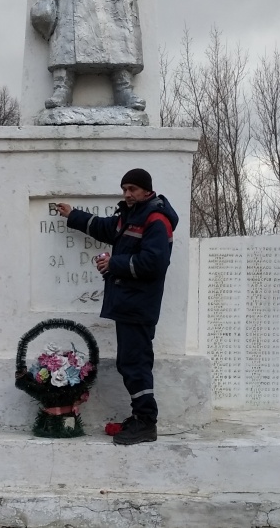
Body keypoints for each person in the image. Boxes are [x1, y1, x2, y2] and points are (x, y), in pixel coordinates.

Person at [54, 168, 177, 445]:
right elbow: (105, 227)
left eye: (132, 188)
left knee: (135, 364)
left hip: (139, 305)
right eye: (124, 189)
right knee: (130, 362)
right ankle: (140, 417)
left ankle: (146, 423)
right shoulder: (130, 217)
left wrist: (115, 263)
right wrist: (73, 214)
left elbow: (155, 263)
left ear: (147, 190)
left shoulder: (156, 220)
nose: (127, 194)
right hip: (128, 303)